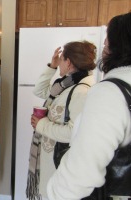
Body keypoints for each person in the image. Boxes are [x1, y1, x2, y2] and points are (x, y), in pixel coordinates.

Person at [47, 12, 131, 200]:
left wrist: (55, 191)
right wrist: (51, 67)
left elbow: (82, 170)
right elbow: (41, 91)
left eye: (108, 39)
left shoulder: (107, 92)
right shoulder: (63, 84)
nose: (104, 45)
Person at [27, 41, 97, 199]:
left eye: (61, 59)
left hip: (60, 160)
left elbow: (75, 132)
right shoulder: (67, 84)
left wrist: (42, 125)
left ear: (69, 62)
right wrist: (51, 67)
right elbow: (39, 90)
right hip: (51, 156)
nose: (59, 63)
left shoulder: (81, 91)